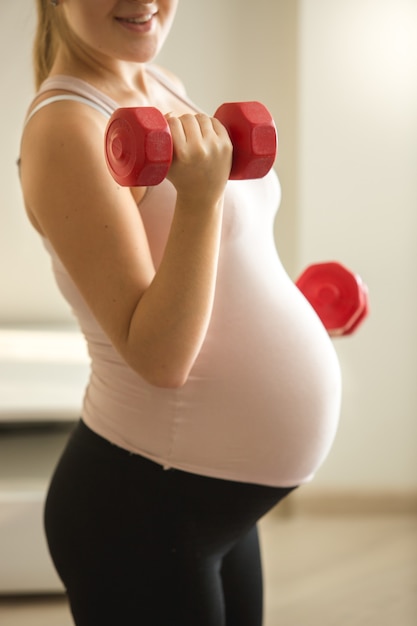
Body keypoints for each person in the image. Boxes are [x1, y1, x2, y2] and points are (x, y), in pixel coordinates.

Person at [19, 1, 342, 625]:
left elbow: (210, 272)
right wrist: (200, 201)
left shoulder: (160, 83)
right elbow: (158, 357)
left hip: (212, 502)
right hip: (143, 505)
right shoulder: (68, 130)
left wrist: (287, 312)